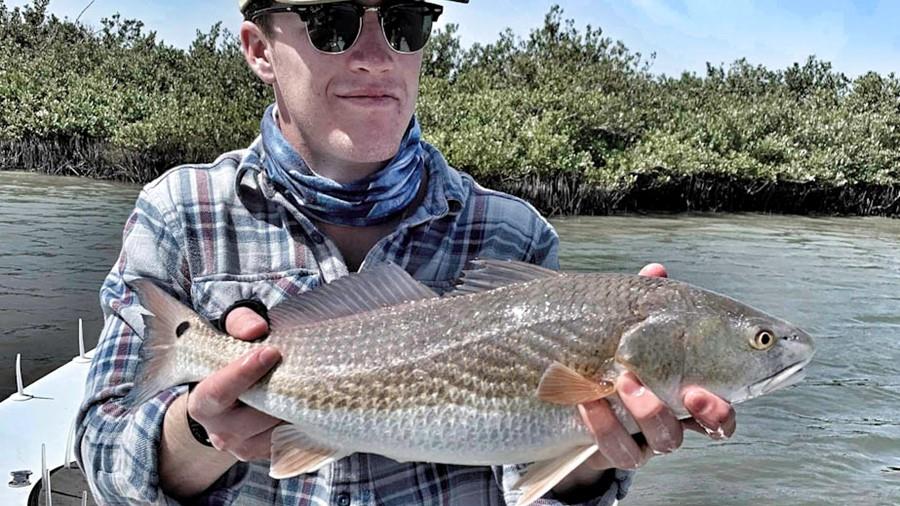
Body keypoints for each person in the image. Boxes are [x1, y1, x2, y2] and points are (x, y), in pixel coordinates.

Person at [75, 0, 736, 504]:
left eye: (404, 21)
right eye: (332, 22)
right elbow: (102, 464)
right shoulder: (180, 212)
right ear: (259, 49)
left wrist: (598, 449)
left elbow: (528, 476)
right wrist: (201, 432)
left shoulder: (514, 232)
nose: (375, 55)